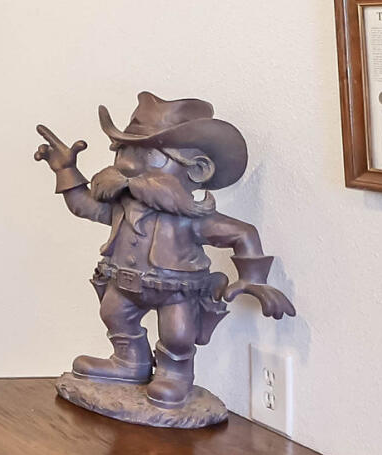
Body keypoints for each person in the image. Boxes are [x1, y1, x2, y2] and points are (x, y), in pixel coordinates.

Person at [32, 92, 294, 411]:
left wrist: (252, 279)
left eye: (149, 156)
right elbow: (83, 206)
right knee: (114, 314)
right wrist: (66, 170)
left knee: (177, 334)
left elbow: (243, 233)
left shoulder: (194, 220)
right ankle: (129, 362)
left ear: (197, 169)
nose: (128, 165)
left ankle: (175, 374)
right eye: (124, 152)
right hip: (124, 282)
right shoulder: (121, 205)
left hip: (176, 291)